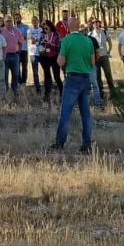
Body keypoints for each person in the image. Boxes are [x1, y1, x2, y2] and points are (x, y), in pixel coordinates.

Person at [49, 15, 95, 154]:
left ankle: (60, 142)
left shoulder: (67, 40)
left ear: (68, 27)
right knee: (85, 114)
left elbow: (60, 62)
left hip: (72, 78)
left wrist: (63, 58)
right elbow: (93, 62)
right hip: (85, 78)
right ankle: (87, 144)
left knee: (65, 113)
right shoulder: (87, 40)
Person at [37, 20, 63, 104]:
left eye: (46, 25)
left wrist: (51, 44)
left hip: (54, 58)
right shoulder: (42, 35)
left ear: (49, 25)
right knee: (47, 77)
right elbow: (39, 45)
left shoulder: (56, 34)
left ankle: (62, 94)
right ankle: (46, 96)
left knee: (57, 77)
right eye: (43, 25)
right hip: (45, 58)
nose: (44, 27)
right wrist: (42, 45)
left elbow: (59, 47)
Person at [89, 19, 116, 96]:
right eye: (94, 22)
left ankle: (113, 91)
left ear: (100, 23)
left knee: (108, 74)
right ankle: (100, 93)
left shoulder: (104, 32)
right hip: (96, 57)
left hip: (104, 57)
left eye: (97, 22)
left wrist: (108, 52)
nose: (96, 24)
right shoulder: (90, 34)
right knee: (98, 76)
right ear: (92, 24)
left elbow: (110, 43)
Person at [1, 16, 25, 94]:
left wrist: (18, 52)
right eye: (7, 21)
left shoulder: (16, 31)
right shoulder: (1, 31)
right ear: (4, 22)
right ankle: (6, 90)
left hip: (15, 55)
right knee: (5, 74)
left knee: (15, 73)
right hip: (5, 56)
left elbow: (21, 42)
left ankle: (15, 89)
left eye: (10, 21)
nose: (9, 22)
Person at [12, 12, 30, 88]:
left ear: (21, 18)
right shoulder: (12, 28)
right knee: (17, 67)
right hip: (15, 50)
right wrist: (21, 37)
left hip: (24, 49)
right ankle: (18, 81)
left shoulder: (26, 27)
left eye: (18, 18)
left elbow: (26, 36)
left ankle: (24, 82)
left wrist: (18, 37)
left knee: (24, 66)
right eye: (15, 18)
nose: (17, 19)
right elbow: (13, 39)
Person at [28, 15, 45, 93]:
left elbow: (43, 39)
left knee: (45, 69)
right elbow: (32, 40)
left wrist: (38, 40)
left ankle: (47, 83)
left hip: (41, 52)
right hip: (33, 52)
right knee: (35, 71)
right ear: (31, 22)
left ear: (38, 21)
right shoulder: (29, 30)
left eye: (36, 20)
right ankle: (37, 87)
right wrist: (38, 40)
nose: (35, 22)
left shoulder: (42, 30)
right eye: (33, 20)